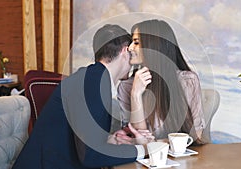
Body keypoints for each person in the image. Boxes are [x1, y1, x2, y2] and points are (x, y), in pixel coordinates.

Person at [13, 24, 153, 169]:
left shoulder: (92, 77)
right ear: (125, 51)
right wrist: (146, 150)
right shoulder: (93, 83)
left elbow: (83, 142)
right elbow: (90, 156)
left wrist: (110, 139)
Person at [117, 19, 206, 144]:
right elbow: (138, 140)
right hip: (144, 160)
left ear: (154, 47)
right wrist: (135, 95)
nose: (130, 48)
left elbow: (196, 134)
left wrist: (156, 143)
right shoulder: (126, 86)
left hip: (181, 157)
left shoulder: (187, 81)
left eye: (136, 42)